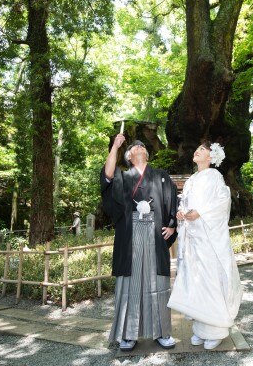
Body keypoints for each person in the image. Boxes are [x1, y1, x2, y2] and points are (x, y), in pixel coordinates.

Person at [100, 134, 178, 352]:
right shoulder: (123, 177)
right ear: (129, 157)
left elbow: (172, 201)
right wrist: (115, 146)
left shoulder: (161, 176)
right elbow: (107, 177)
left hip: (155, 233)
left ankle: (162, 332)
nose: (139, 148)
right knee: (130, 284)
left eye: (142, 146)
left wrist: (172, 225)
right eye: (134, 147)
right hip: (130, 234)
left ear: (147, 153)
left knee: (158, 283)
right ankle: (128, 334)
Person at [167, 141, 242, 350]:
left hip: (208, 236)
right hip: (192, 237)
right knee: (196, 280)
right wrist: (182, 212)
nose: (196, 150)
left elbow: (221, 201)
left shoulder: (215, 176)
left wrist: (199, 212)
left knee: (210, 278)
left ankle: (216, 329)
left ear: (211, 157)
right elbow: (186, 202)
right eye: (197, 148)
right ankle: (201, 329)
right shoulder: (192, 179)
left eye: (201, 149)